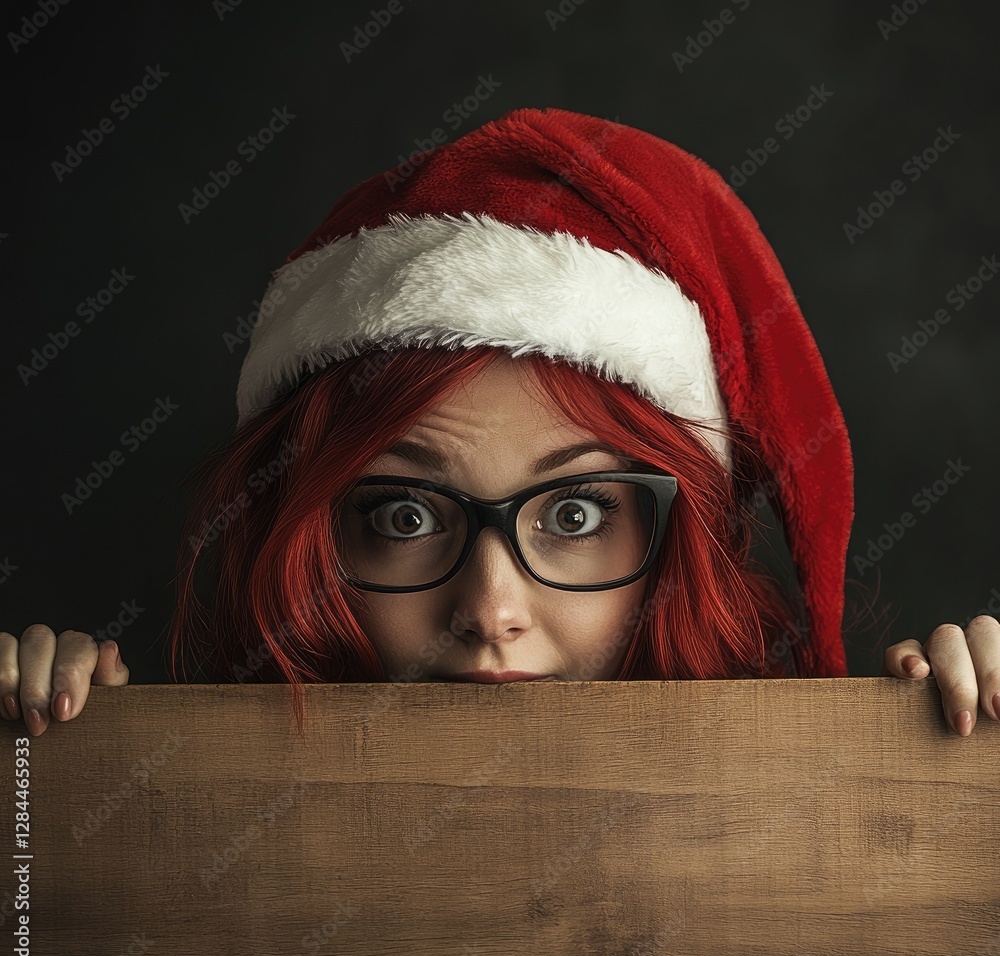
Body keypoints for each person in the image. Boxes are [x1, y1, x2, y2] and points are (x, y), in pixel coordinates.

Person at [2, 107, 996, 738]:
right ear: (308, 535)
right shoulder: (174, 842)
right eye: (401, 515)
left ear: (678, 544)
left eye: (573, 515)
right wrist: (45, 779)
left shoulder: (813, 848)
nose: (488, 610)